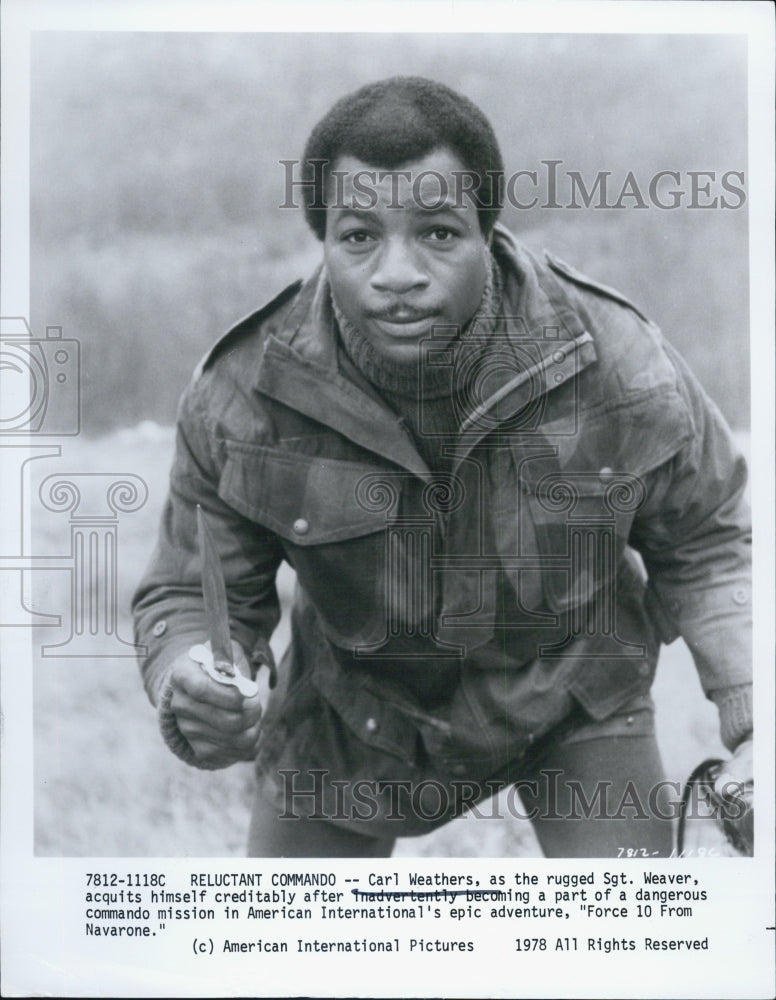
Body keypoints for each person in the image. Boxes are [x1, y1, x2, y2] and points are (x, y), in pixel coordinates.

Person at [132, 76, 752, 858]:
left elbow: (708, 538)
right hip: (352, 718)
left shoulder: (616, 359)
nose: (398, 273)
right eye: (359, 236)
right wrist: (195, 677)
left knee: (630, 953)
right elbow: (191, 587)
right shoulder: (242, 397)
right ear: (322, 237)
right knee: (284, 958)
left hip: (577, 692)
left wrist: (755, 714)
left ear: (486, 230)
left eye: (438, 233)